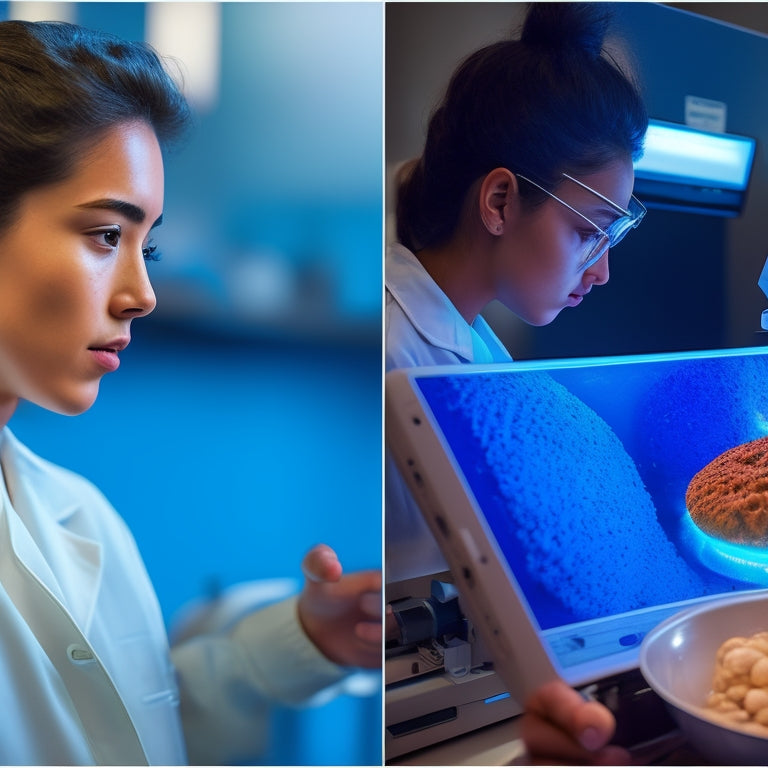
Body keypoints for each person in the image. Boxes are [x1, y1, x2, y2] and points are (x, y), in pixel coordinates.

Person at [0, 18, 380, 766]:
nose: (141, 293)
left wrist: (301, 641)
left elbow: (126, 737)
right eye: (108, 235)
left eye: (152, 245)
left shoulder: (85, 519)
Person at [385, 3, 646, 763]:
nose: (600, 270)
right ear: (500, 201)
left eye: (613, 234)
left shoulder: (468, 338)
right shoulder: (395, 356)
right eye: (589, 230)